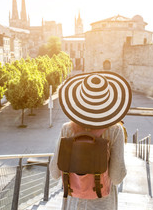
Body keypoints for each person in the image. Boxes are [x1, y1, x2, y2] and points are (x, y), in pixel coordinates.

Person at [50, 71, 132, 210]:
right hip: (103, 203)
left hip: (73, 203)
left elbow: (54, 173)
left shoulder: (67, 129)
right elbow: (117, 177)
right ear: (109, 102)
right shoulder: (115, 131)